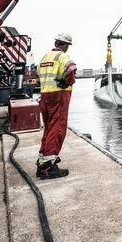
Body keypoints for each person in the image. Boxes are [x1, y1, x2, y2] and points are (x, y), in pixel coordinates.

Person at [35, 33, 77, 179]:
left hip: (45, 97)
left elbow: (37, 74)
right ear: (64, 45)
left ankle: (42, 162)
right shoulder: (62, 56)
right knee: (57, 129)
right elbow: (72, 67)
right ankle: (49, 168)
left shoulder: (45, 57)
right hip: (58, 97)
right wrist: (67, 81)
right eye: (67, 45)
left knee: (48, 129)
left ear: (56, 43)